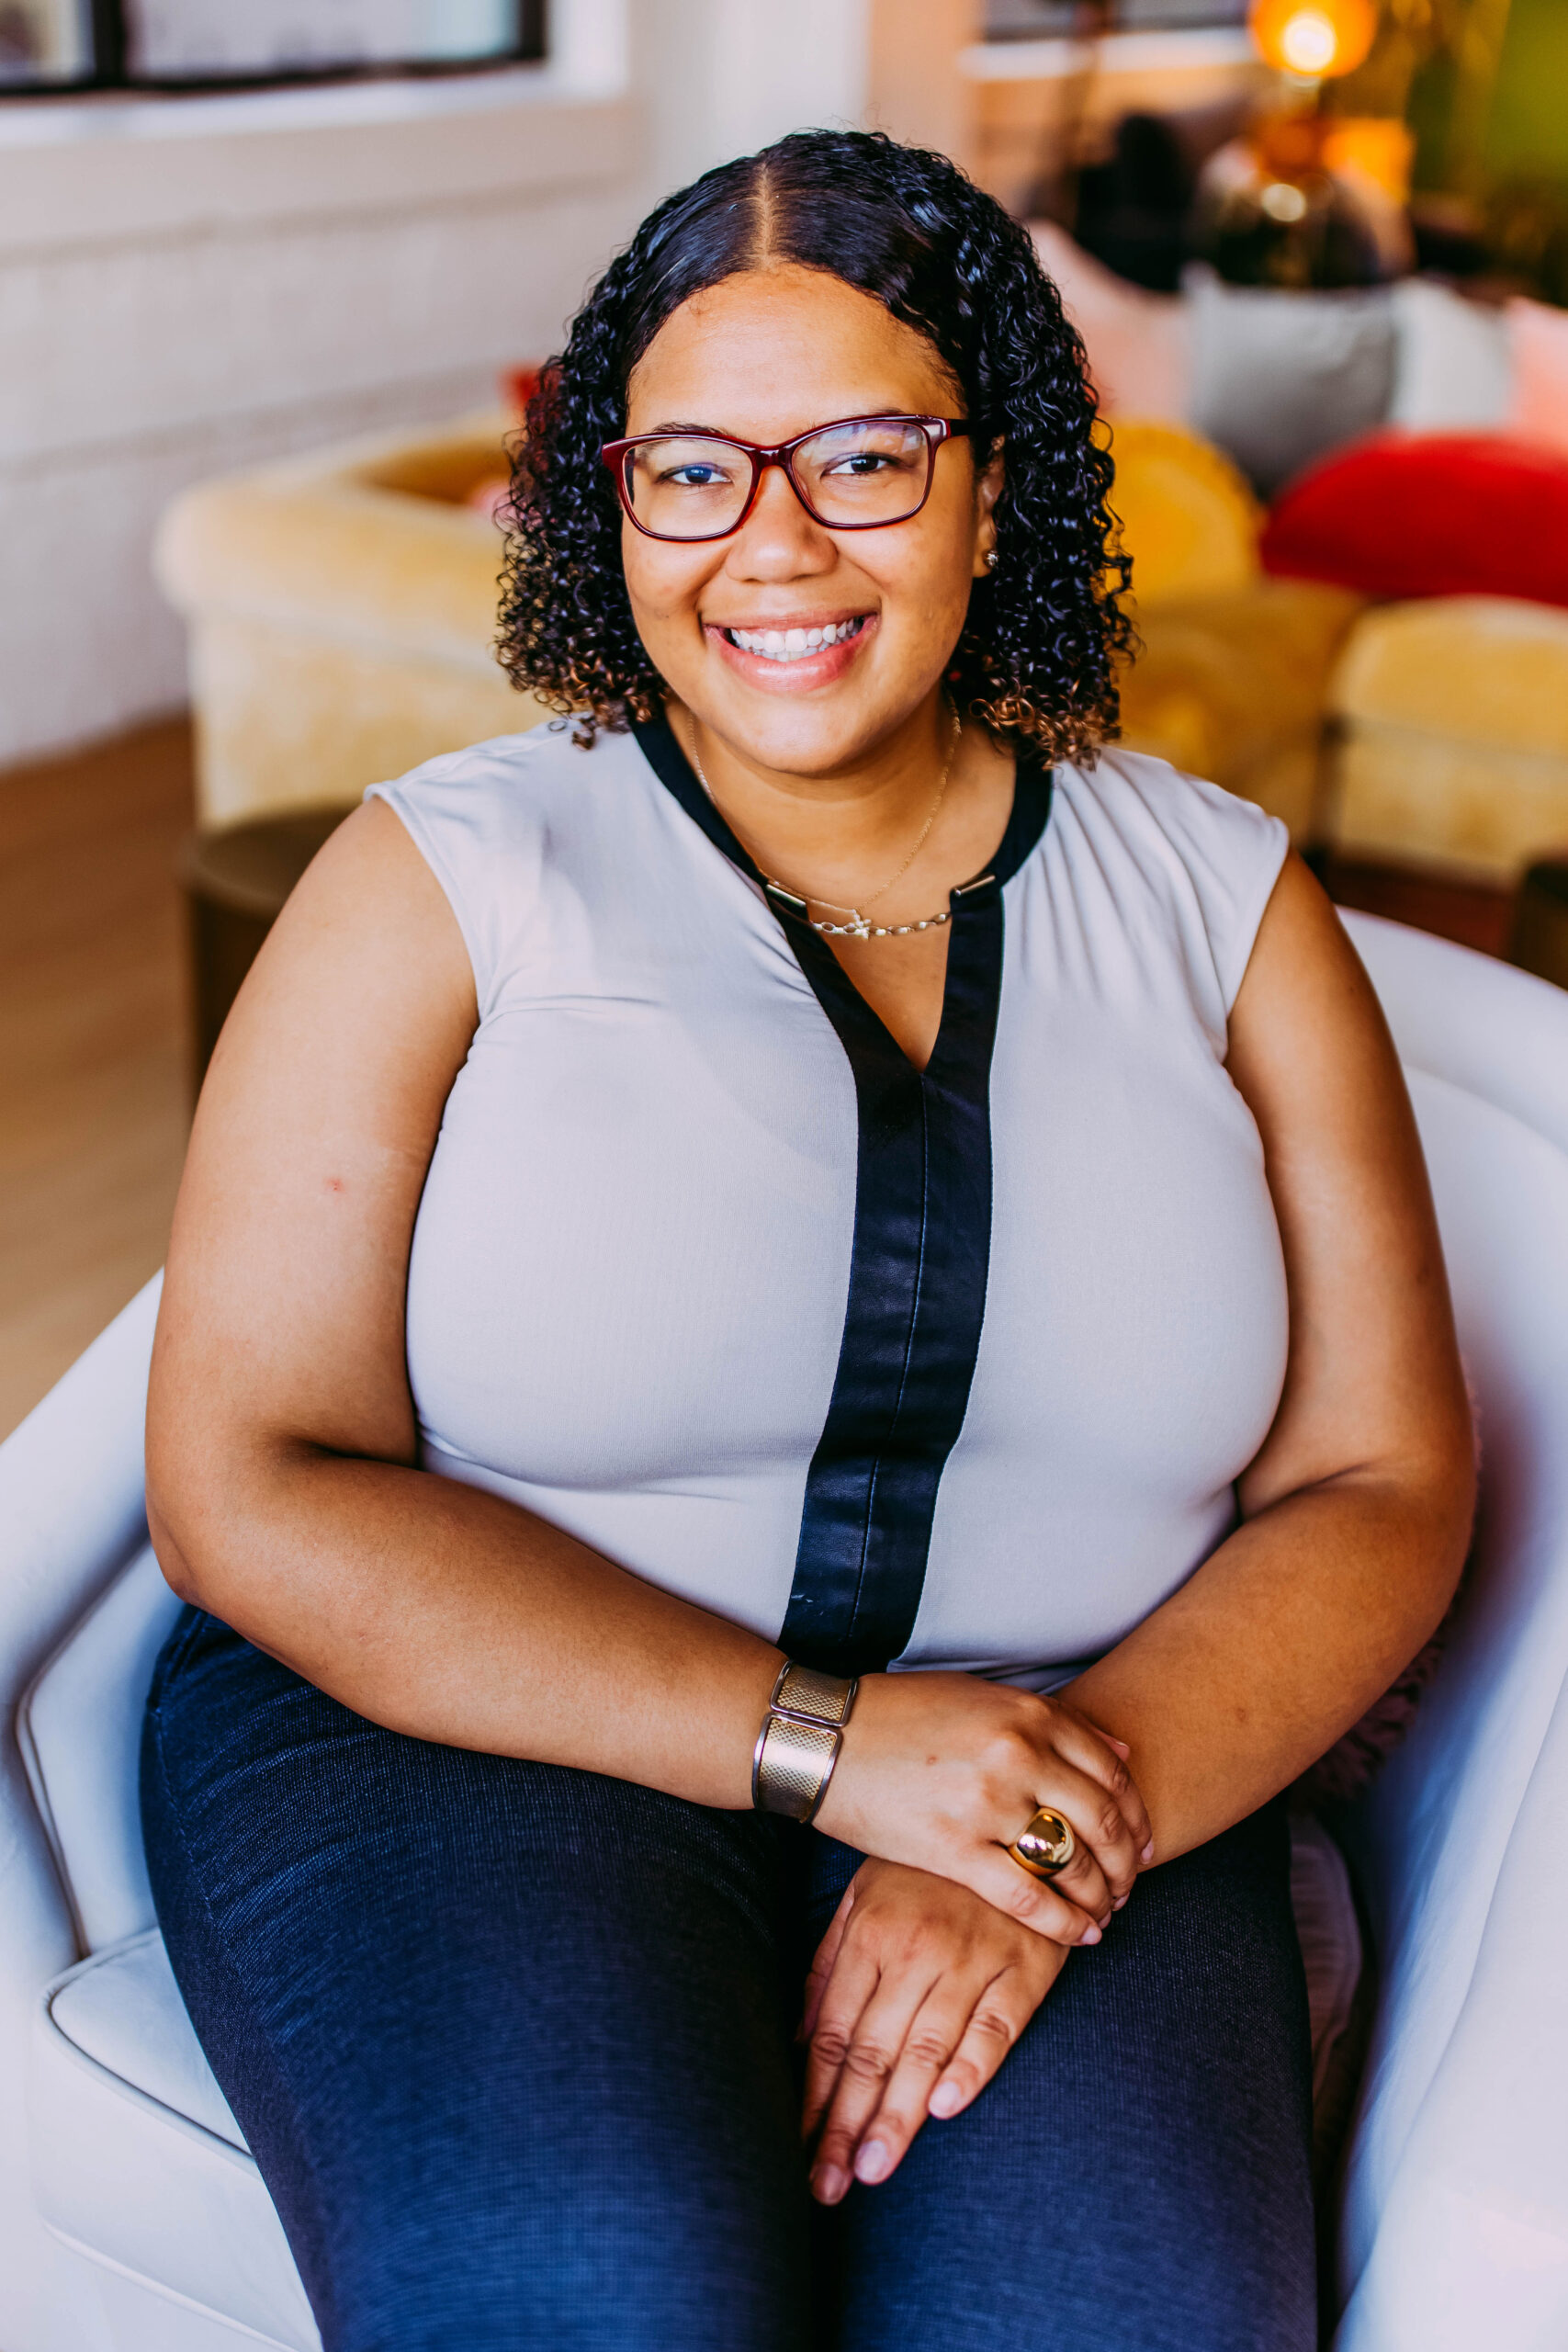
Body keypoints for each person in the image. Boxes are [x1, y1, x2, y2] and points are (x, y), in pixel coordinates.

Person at [141, 130, 1474, 2352]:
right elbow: (249, 1477)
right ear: (613, 509)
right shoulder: (447, 881)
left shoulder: (1232, 909)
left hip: (1077, 1759)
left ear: (992, 487)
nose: (769, 541)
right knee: (595, 2297)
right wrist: (834, 1746)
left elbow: (1383, 1480)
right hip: (469, 1743)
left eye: (862, 455)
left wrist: (1058, 1824)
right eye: (689, 470)